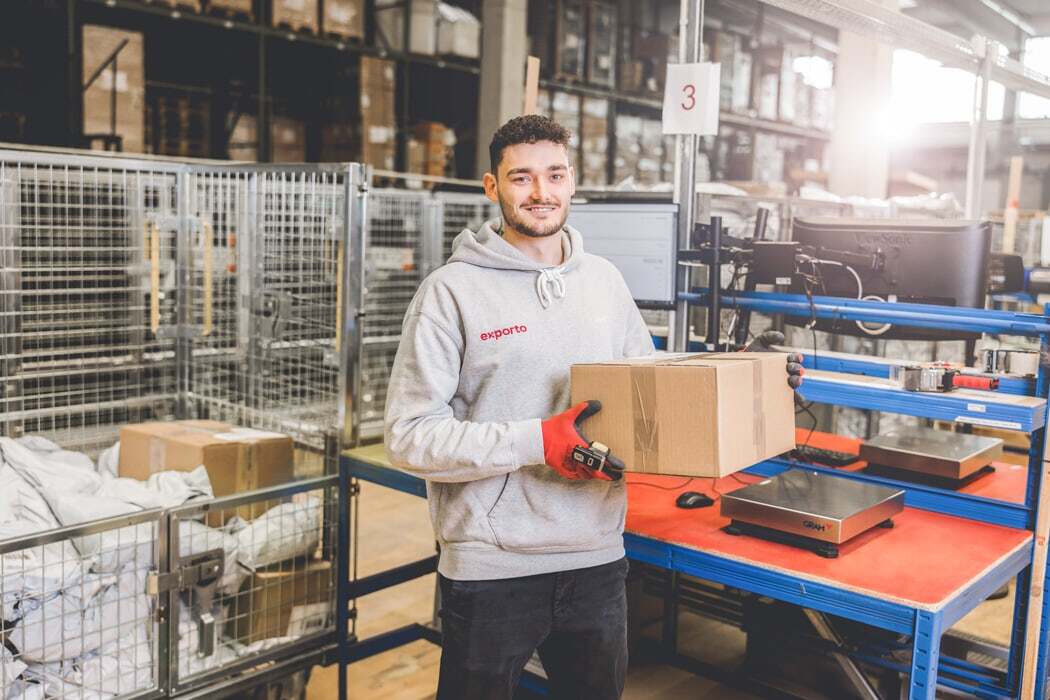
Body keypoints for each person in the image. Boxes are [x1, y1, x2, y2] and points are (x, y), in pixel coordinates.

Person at [384, 114, 802, 700]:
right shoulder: (451, 292)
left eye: (554, 175)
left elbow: (650, 388)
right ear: (491, 187)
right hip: (492, 567)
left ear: (572, 182)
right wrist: (537, 441)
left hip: (597, 560)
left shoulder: (604, 282)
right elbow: (408, 435)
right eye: (522, 178)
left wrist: (755, 375)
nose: (541, 193)